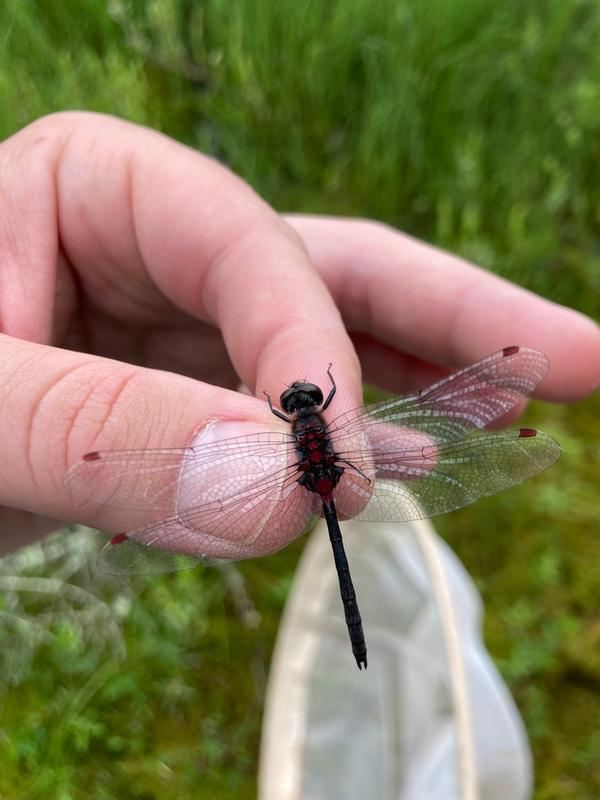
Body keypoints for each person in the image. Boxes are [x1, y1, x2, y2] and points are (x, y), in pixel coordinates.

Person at [0, 111, 598, 556]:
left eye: (301, 400)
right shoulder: (328, 428)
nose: (303, 401)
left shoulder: (291, 429)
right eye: (301, 400)